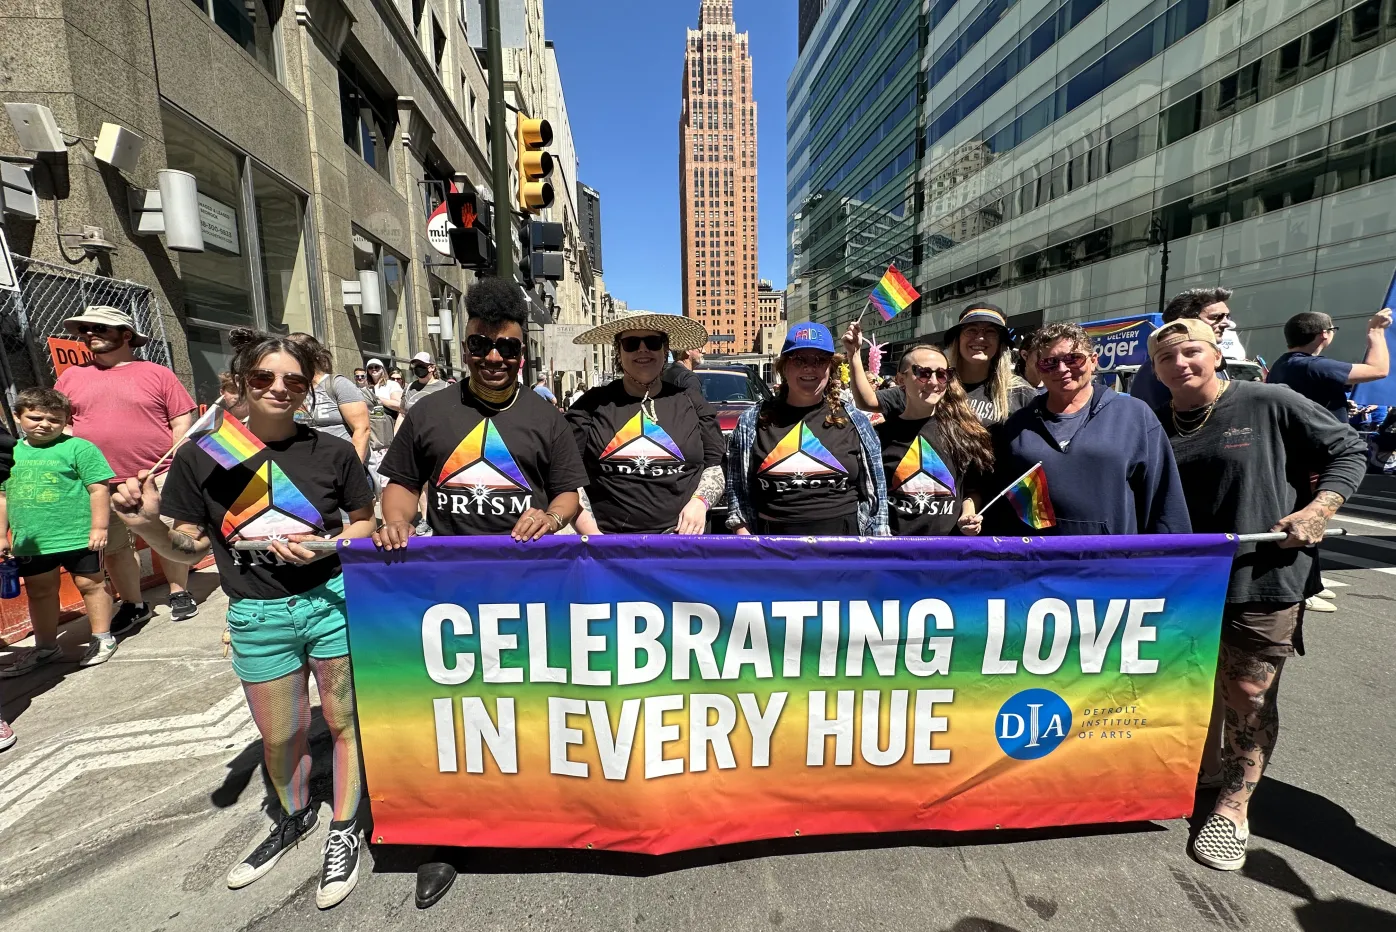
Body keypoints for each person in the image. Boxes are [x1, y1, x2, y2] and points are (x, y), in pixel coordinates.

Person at [110, 329, 375, 909]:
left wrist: (330, 547)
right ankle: (293, 817)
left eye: (294, 381)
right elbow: (185, 548)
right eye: (264, 378)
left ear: (309, 390)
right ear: (240, 382)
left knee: (348, 722)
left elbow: (364, 524)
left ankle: (347, 827)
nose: (279, 389)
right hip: (257, 615)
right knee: (280, 735)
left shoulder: (331, 452)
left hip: (332, 603)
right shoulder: (205, 455)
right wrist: (146, 525)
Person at [373, 277, 587, 909]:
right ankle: (445, 837)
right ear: (463, 348)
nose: (494, 358)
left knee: (529, 709)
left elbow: (570, 492)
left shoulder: (546, 416)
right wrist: (397, 519)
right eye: (480, 347)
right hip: (446, 595)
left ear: (526, 355)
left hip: (532, 593)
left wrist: (550, 515)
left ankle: (538, 811)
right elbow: (402, 483)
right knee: (454, 717)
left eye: (508, 350)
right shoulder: (430, 413)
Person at [1148, 318, 1366, 872]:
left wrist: (1319, 510)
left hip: (1262, 577)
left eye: (1191, 351)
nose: (1181, 364)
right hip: (1186, 584)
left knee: (1247, 693)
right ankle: (1203, 771)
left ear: (1216, 353)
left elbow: (1349, 450)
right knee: (1192, 687)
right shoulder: (1155, 423)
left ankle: (1232, 806)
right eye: (1167, 358)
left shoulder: (1270, 400)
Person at [55, 306, 199, 626]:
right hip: (98, 482)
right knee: (117, 546)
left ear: (126, 335)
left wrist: (178, 464)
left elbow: (181, 422)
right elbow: (61, 425)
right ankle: (134, 605)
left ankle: (179, 592)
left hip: (157, 474)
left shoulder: (158, 373)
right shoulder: (71, 377)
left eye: (100, 328)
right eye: (85, 329)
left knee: (167, 535)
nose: (89, 333)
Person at [993, 322, 1190, 535]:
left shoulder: (1134, 415)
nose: (1062, 369)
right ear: (1039, 369)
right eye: (1049, 363)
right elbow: (1003, 505)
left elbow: (1164, 501)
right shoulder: (1017, 425)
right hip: (1039, 562)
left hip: (1111, 562)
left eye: (1073, 359)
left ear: (1093, 361)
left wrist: (1171, 562)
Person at [568, 314, 725, 535]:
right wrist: (592, 535)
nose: (643, 350)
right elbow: (567, 475)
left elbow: (715, 466)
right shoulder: (591, 405)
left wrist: (700, 502)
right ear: (619, 352)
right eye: (631, 344)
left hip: (683, 543)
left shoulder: (692, 401)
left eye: (652, 342)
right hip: (610, 545)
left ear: (665, 350)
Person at [727, 323, 889, 536]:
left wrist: (873, 548)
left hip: (844, 548)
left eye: (819, 360)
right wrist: (746, 539)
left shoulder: (856, 421)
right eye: (799, 359)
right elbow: (737, 490)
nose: (809, 367)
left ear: (830, 368)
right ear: (784, 367)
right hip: (774, 548)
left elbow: (876, 495)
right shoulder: (752, 421)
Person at [0, 389, 118, 676]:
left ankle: (103, 637)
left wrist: (99, 527)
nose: (44, 424)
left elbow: (98, 489)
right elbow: (2, 497)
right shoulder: (10, 453)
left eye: (54, 419)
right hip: (32, 541)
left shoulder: (80, 449)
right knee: (40, 592)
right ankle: (45, 647)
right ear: (18, 417)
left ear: (66, 419)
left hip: (78, 535)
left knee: (92, 585)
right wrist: (2, 535)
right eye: (35, 417)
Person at [846, 304, 1034, 426]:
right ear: (957, 340)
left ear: (1001, 343)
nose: (980, 337)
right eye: (971, 330)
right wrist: (853, 354)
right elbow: (867, 401)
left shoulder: (1019, 392)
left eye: (991, 332)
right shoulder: (933, 384)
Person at [877, 345, 994, 536]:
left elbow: (971, 488)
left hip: (946, 554)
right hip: (894, 554)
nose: (933, 382)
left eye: (942, 374)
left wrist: (968, 515)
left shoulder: (963, 433)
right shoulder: (877, 437)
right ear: (900, 379)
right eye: (923, 373)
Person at [1266, 308, 1393, 421]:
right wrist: (1376, 331)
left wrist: (1339, 406)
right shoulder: (1315, 366)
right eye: (1333, 329)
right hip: (1328, 445)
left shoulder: (1279, 366)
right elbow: (1378, 370)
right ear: (1324, 333)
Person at [1129, 287, 1237, 409]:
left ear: (1217, 356)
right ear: (1185, 320)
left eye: (1228, 317)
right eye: (1215, 317)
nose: (1226, 324)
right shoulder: (1162, 371)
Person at [287, 333, 371, 464]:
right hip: (309, 467)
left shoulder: (337, 384)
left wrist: (352, 470)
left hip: (341, 465)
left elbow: (362, 430)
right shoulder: (289, 389)